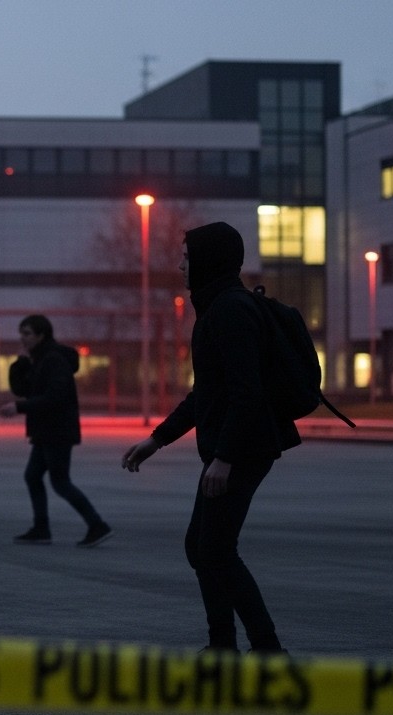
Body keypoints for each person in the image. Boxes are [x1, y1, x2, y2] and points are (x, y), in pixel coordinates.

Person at [120, 221, 299, 654]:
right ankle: (223, 642)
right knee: (201, 547)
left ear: (208, 260)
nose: (180, 264)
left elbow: (246, 391)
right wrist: (157, 440)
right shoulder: (217, 308)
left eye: (186, 256)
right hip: (237, 446)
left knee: (215, 549)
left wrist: (224, 458)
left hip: (244, 448)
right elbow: (208, 394)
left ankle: (266, 648)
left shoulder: (230, 311)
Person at [0, 315, 112, 548]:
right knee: (33, 476)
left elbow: (55, 397)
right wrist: (20, 366)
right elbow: (24, 389)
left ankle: (96, 524)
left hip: (57, 431)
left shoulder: (53, 360)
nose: (22, 338)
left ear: (41, 335)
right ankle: (41, 529)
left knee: (60, 481)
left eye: (27, 333)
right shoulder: (39, 359)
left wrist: (19, 407)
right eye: (21, 333)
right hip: (45, 430)